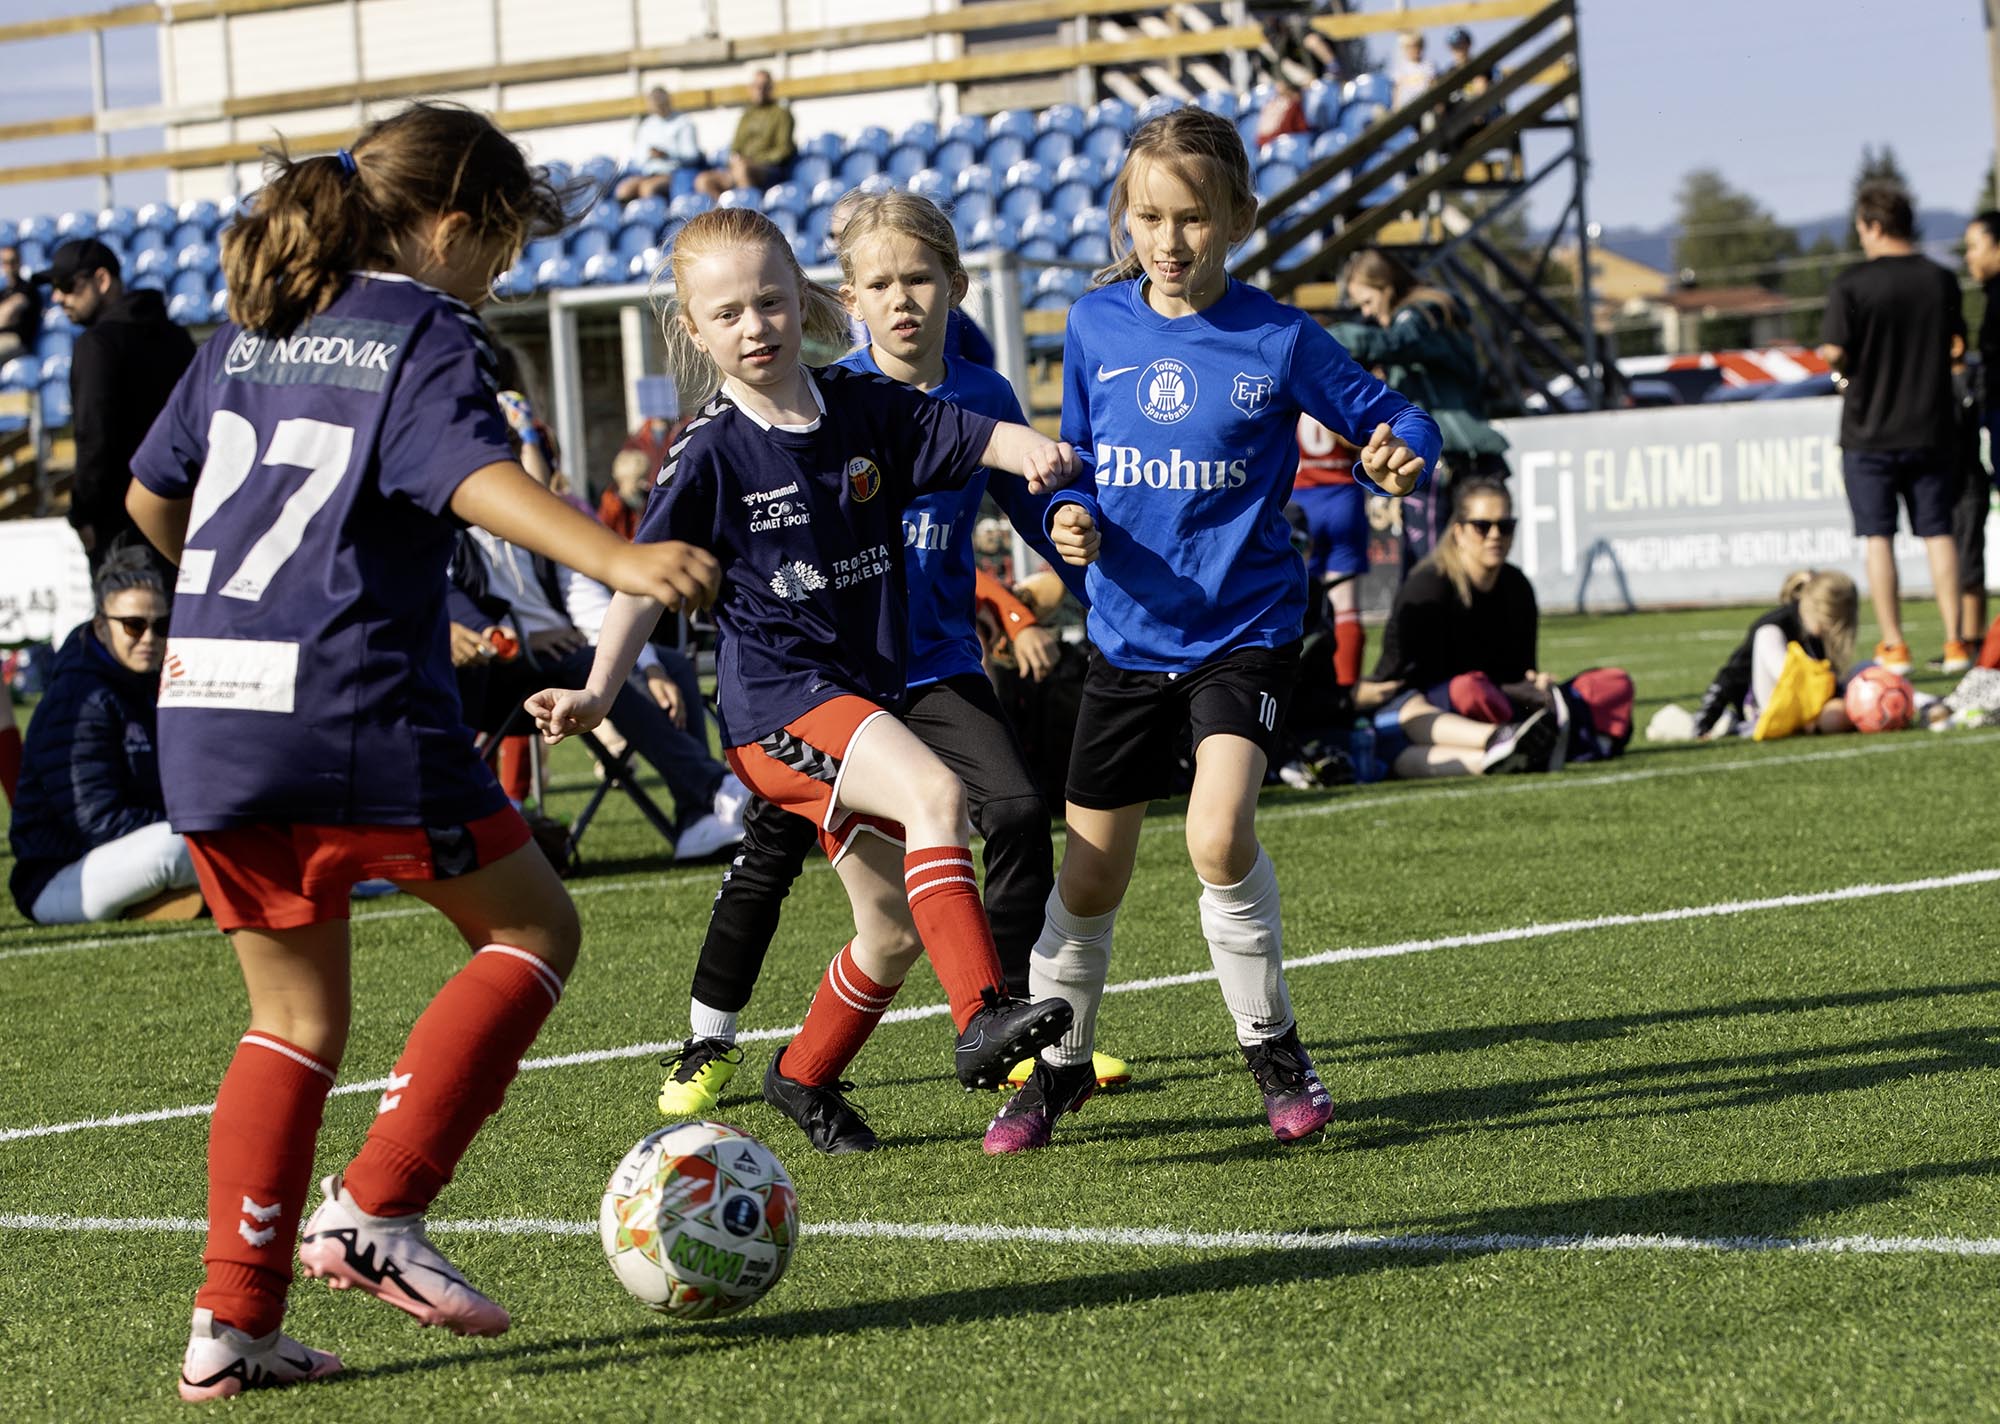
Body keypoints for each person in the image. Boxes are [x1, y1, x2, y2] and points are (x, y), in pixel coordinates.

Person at [122, 103, 721, 1401]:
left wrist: (235, 609)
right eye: (501, 246)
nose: (498, 274)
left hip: (208, 707)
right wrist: (618, 557)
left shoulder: (248, 329)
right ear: (451, 226)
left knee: (290, 1018)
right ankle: (378, 1206)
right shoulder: (419, 326)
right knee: (534, 929)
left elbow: (148, 495)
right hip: (348, 702)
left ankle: (231, 1324)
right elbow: (468, 477)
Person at [527, 206, 1089, 1155]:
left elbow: (965, 431)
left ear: (805, 300)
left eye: (771, 302)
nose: (755, 327)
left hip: (858, 701)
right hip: (779, 708)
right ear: (693, 330)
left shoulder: (859, 404)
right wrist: (596, 690)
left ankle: (802, 1075)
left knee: (890, 931)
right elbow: (640, 580)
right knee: (937, 794)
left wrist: (1029, 450)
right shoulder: (709, 450)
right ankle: (982, 1015)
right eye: (728, 314)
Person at [983, 106, 1437, 1155]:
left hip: (1245, 632)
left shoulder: (1278, 337)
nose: (1169, 240)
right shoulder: (1093, 326)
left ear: (1238, 217)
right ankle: (1056, 1069)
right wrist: (1068, 513)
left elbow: (1397, 416)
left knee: (1216, 835)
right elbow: (1079, 462)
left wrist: (1399, 453)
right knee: (1088, 878)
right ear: (1123, 218)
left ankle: (1275, 1053)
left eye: (1191, 217)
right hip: (1125, 639)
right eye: (1148, 217)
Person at [1818, 181, 1968, 675]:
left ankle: (1895, 645)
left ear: (1874, 226)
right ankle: (1954, 642)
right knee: (1939, 533)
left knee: (1878, 537)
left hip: (1869, 431)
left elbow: (1834, 352)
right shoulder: (1940, 280)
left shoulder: (1852, 284)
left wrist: (1844, 378)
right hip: (1931, 427)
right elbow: (1956, 345)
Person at [8, 546, 201, 923]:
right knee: (179, 847)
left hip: (127, 855)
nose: (149, 637)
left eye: (161, 625)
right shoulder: (78, 698)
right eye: (133, 625)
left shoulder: (150, 684)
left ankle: (167, 898)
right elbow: (96, 820)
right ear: (100, 627)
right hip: (62, 875)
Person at [1358, 479, 1567, 778]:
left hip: (1486, 705)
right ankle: (1503, 740)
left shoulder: (1517, 586)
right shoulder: (1428, 588)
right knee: (1462, 693)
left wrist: (1534, 685)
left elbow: (1519, 671)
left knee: (1608, 685)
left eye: (1505, 526)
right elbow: (1404, 680)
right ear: (1458, 531)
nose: (1495, 535)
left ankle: (1514, 751)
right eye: (1482, 526)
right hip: (1420, 707)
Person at [1332, 247, 1507, 572]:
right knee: (1449, 569)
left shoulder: (1422, 315)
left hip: (1449, 458)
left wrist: (1318, 340)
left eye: (1368, 302)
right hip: (1461, 457)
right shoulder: (1429, 316)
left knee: (1437, 568)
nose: (1367, 314)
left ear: (1387, 288)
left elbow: (1394, 342)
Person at [36, 237, 195, 574]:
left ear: (102, 280)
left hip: (119, 528)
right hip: (180, 518)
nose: (58, 297)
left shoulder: (97, 345)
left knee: (126, 609)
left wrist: (83, 514)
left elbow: (93, 436)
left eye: (66, 285)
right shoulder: (176, 337)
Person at [1692, 570, 1859, 739]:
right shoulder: (1775, 624)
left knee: (1862, 674)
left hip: (1815, 701)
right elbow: (1732, 674)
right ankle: (1768, 720)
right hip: (1774, 704)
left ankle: (1812, 722)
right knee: (1767, 635)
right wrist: (1705, 720)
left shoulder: (1822, 629)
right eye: (1830, 622)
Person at [694, 69, 796, 198]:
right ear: (750, 89)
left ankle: (747, 208)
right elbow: (736, 147)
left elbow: (784, 150)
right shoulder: (746, 116)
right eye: (756, 86)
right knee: (703, 180)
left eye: (764, 86)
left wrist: (755, 160)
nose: (760, 90)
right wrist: (735, 159)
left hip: (768, 169)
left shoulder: (782, 114)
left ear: (771, 88)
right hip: (740, 166)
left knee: (742, 169)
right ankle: (724, 208)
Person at [614, 86, 704, 202]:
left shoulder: (683, 122)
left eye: (660, 101)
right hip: (648, 173)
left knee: (647, 189)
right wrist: (650, 155)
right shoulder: (647, 125)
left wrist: (666, 154)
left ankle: (655, 212)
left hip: (672, 173)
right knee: (623, 191)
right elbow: (639, 158)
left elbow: (692, 155)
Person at [0, 243, 42, 363]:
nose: (9, 266)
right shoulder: (3, 292)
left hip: (17, 340)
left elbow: (7, 316)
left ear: (20, 262)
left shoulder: (27, 289)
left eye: (13, 261)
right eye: (5, 262)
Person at [1255, 78, 1310, 148]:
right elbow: (1302, 129)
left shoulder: (1272, 103)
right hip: (1274, 143)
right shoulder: (1291, 105)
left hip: (1266, 144)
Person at [1389, 31, 1436, 109]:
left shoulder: (1428, 66)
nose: (1412, 49)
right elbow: (1397, 89)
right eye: (1408, 47)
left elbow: (1433, 85)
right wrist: (1396, 107)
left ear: (1421, 47)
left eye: (1415, 46)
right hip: (1406, 107)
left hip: (1425, 105)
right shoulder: (1401, 67)